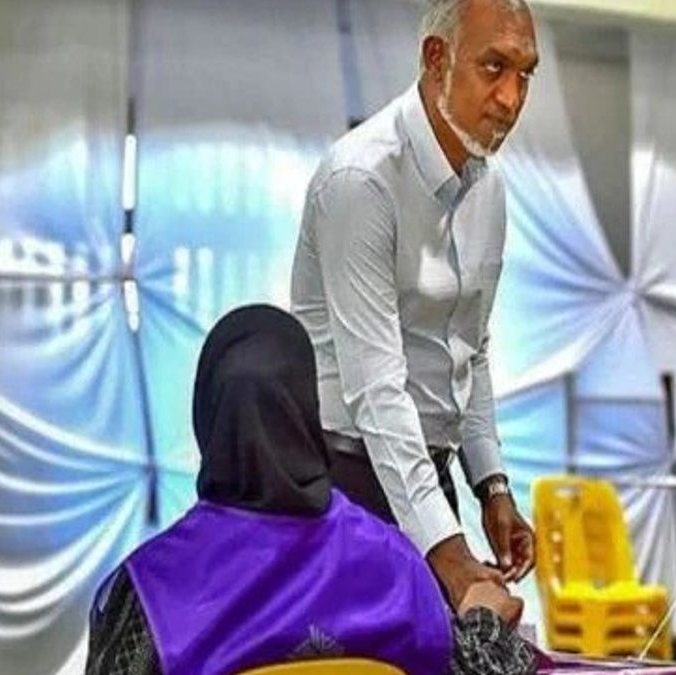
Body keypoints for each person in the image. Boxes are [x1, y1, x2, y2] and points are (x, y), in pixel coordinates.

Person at [84, 305, 535, 675]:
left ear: (207, 415)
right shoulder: (394, 564)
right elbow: (474, 668)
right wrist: (486, 620)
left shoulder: (150, 590)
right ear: (309, 409)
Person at [290, 0, 539, 609]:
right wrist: (447, 553)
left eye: (526, 74)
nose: (510, 98)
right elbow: (377, 392)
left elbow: (470, 349)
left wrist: (491, 485)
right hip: (345, 485)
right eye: (494, 67)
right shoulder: (361, 181)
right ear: (437, 59)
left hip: (429, 477)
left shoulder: (489, 186)